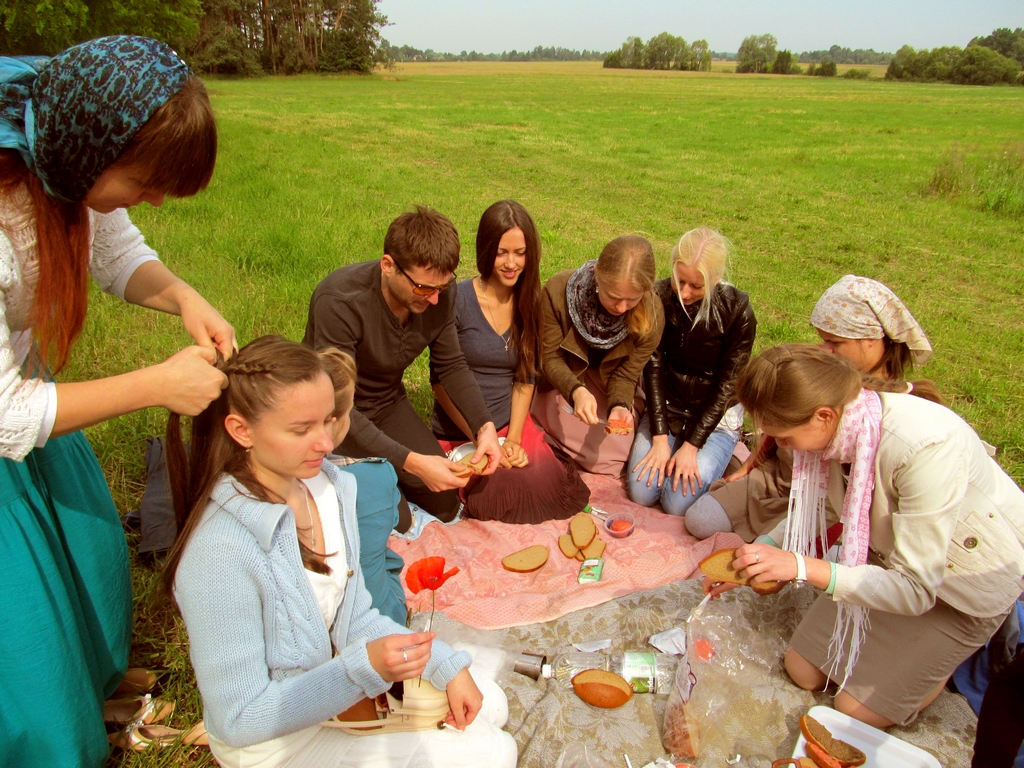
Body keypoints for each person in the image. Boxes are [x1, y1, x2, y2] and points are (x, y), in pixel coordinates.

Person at [0, 36, 233, 768]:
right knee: (25, 632)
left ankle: (96, 687)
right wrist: (154, 386)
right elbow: (5, 414)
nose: (155, 199)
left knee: (93, 553)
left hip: (27, 396)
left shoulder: (65, 164)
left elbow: (115, 253)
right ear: (89, 153)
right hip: (11, 414)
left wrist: (183, 298)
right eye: (144, 181)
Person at [165, 336, 517, 768]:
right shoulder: (219, 552)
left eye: (327, 421)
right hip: (275, 742)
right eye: (301, 430)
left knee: (492, 703)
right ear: (242, 431)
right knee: (495, 754)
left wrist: (445, 663)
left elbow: (355, 617)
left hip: (327, 695)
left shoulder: (328, 488)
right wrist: (361, 669)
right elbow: (239, 719)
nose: (326, 444)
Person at [705, 345, 1024, 729]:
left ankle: (937, 664)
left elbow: (917, 588)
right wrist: (763, 550)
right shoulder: (844, 426)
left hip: (960, 588)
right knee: (802, 670)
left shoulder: (924, 448)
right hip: (889, 562)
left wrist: (802, 567)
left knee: (853, 710)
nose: (781, 449)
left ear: (824, 416)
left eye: (784, 438)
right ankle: (903, 652)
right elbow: (825, 505)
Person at [688, 274, 933, 541]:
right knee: (700, 519)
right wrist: (750, 464)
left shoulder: (891, 415)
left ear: (871, 339)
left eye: (836, 343)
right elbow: (781, 420)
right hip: (779, 479)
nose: (825, 350)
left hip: (826, 501)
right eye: (823, 340)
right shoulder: (818, 371)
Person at [304, 206, 501, 525]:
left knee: (445, 500)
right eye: (423, 288)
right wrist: (413, 462)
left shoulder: (439, 293)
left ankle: (381, 475)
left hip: (386, 404)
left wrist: (484, 427)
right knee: (393, 517)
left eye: (442, 287)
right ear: (388, 266)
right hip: (334, 416)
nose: (434, 299)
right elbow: (337, 407)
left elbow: (451, 365)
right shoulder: (340, 301)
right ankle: (367, 481)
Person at [431, 200, 590, 523]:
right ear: (486, 249)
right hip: (463, 429)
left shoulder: (529, 301)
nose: (511, 263)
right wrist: (483, 438)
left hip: (511, 425)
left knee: (548, 488)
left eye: (520, 253)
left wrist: (514, 439)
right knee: (495, 496)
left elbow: (525, 377)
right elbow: (441, 385)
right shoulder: (457, 299)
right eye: (502, 252)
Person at [626, 227, 756, 518]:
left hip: (715, 420)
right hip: (667, 408)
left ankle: (723, 455)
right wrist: (659, 438)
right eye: (679, 281)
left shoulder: (738, 312)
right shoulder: (658, 296)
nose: (684, 293)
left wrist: (693, 446)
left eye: (696, 287)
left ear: (717, 279)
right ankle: (685, 456)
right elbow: (654, 367)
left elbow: (728, 386)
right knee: (642, 492)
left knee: (676, 503)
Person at [533, 234, 664, 477]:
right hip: (566, 379)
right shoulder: (557, 290)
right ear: (597, 275)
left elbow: (626, 374)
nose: (622, 308)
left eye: (632, 299)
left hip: (609, 385)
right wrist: (576, 392)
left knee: (614, 457)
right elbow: (550, 358)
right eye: (614, 297)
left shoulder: (653, 313)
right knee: (549, 428)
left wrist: (620, 406)